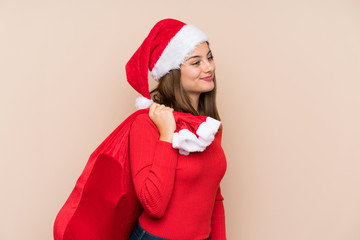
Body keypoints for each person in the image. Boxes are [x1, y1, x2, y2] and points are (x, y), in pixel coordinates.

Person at [125, 18, 227, 240]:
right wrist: (167, 135)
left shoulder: (209, 127)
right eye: (196, 62)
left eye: (209, 57)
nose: (209, 67)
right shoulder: (146, 124)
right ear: (172, 72)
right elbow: (154, 205)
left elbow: (214, 197)